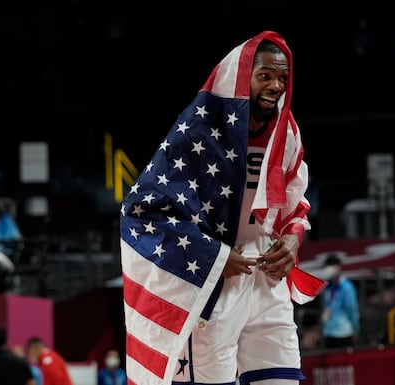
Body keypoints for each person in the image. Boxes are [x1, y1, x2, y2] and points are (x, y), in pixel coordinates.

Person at [119, 30, 325, 385]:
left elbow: (296, 197)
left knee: (283, 379)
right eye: (265, 76)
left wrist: (292, 240)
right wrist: (211, 257)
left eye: (282, 78)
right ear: (243, 77)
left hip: (266, 271)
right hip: (216, 274)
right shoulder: (199, 130)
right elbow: (142, 212)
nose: (276, 86)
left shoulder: (287, 130)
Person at [320, 254, 360, 349]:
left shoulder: (347, 287)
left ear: (338, 268)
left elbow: (352, 309)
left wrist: (356, 328)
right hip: (329, 332)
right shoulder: (328, 286)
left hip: (343, 333)